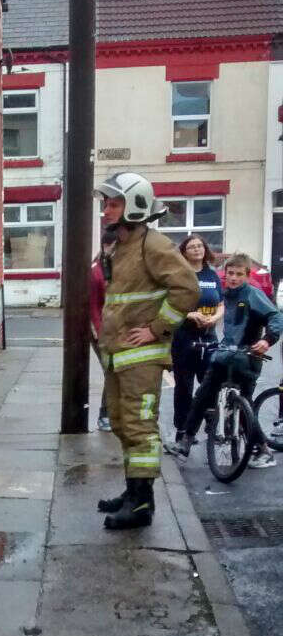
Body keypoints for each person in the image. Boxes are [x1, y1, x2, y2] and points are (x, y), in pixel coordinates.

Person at [96, 172, 199, 529]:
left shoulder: (152, 245)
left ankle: (142, 504)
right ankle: (133, 490)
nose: (106, 211)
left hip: (140, 359)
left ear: (135, 207)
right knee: (124, 425)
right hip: (118, 355)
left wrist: (156, 329)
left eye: (114, 204)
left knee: (140, 427)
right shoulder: (119, 244)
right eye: (105, 204)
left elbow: (187, 289)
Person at [174, 252, 283, 469]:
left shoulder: (252, 294)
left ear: (247, 275)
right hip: (225, 355)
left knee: (245, 407)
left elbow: (276, 317)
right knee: (203, 395)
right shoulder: (228, 294)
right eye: (230, 273)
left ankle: (262, 449)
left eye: (238, 274)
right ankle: (186, 439)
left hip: (247, 357)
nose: (233, 278)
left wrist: (266, 340)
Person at [170, 234, 223, 444]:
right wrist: (190, 315)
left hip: (209, 338)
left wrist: (215, 318)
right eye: (191, 247)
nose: (196, 249)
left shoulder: (212, 275)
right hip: (184, 338)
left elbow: (221, 303)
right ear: (184, 252)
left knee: (210, 385)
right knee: (184, 387)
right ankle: (182, 430)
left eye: (199, 245)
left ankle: (211, 427)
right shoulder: (179, 275)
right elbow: (170, 304)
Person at [90, 250, 111, 430]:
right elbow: (93, 306)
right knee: (111, 371)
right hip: (102, 332)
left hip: (118, 331)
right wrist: (98, 331)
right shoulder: (96, 272)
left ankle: (113, 413)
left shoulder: (118, 268)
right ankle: (105, 414)